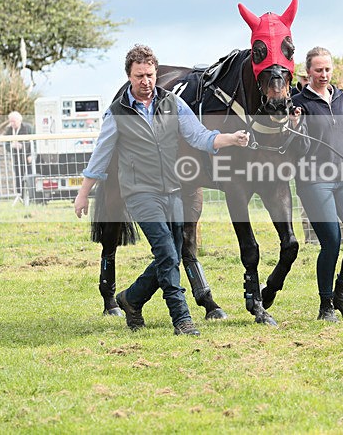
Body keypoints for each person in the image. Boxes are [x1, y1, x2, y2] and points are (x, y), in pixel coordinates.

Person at [74, 44, 250, 336]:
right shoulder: (117, 112)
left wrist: (229, 138)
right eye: (139, 75)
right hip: (140, 192)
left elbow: (199, 137)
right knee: (167, 253)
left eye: (150, 75)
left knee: (173, 253)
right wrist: (84, 193)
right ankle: (182, 319)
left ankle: (131, 299)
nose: (146, 81)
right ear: (129, 76)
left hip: (172, 189)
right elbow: (102, 154)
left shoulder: (173, 104)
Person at [291, 46, 343, 322]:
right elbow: (298, 148)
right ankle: (326, 305)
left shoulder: (339, 97)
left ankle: (342, 293)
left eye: (327, 69)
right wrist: (295, 124)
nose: (324, 75)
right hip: (314, 179)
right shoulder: (299, 102)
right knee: (332, 242)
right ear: (308, 71)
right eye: (318, 70)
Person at [6, 111, 32, 197]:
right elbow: (6, 144)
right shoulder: (9, 130)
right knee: (18, 176)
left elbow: (34, 142)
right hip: (17, 158)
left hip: (28, 157)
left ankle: (31, 195)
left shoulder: (28, 128)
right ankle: (20, 195)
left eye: (14, 121)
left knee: (29, 175)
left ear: (19, 120)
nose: (12, 123)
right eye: (11, 121)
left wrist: (32, 154)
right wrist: (11, 146)